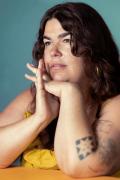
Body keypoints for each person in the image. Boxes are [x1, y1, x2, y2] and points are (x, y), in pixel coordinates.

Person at [0, 2, 120, 178]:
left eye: (66, 40)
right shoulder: (34, 97)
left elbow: (81, 166)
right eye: (47, 43)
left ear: (94, 52)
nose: (53, 51)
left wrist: (70, 95)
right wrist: (41, 118)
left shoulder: (115, 104)